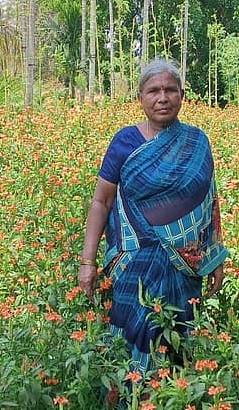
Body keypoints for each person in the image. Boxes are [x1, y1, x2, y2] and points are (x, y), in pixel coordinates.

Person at [78, 58, 228, 374]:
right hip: (134, 262)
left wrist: (216, 259)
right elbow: (101, 202)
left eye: (170, 90)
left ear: (182, 96)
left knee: (178, 334)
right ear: (140, 98)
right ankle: (126, 409)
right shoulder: (125, 141)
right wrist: (87, 262)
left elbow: (208, 204)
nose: (163, 97)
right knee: (131, 331)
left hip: (185, 264)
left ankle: (174, 407)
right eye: (154, 90)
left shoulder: (197, 142)